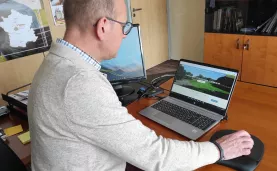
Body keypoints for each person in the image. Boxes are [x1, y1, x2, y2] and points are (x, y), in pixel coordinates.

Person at [28, 0, 254, 170]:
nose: (125, 34)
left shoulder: (53, 62)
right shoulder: (80, 84)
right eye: (124, 26)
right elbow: (156, 155)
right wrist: (219, 149)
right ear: (103, 27)